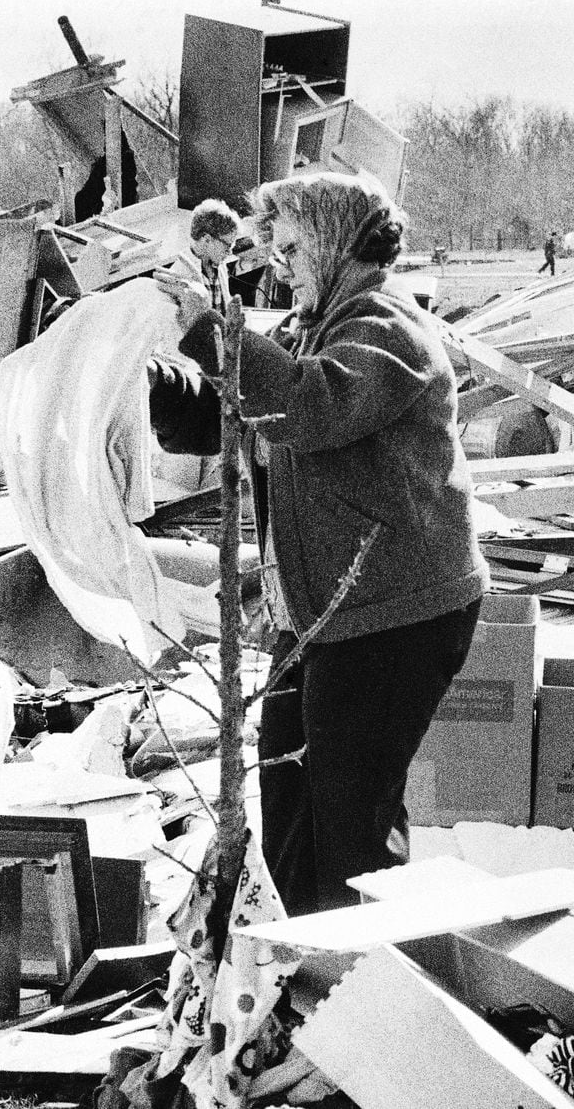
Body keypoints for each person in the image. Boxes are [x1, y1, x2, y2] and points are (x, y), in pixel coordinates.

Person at [151, 172, 488, 915]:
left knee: (352, 818)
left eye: (295, 248)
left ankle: (370, 987)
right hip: (319, 616)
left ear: (335, 242)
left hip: (396, 612)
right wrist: (158, 377)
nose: (281, 265)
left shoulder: (389, 330)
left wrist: (214, 330)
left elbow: (308, 404)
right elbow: (231, 413)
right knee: (287, 794)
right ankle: (295, 975)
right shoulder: (312, 328)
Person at [172, 198, 241, 312]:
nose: (230, 252)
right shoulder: (180, 274)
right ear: (207, 239)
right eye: (227, 246)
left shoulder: (219, 265)